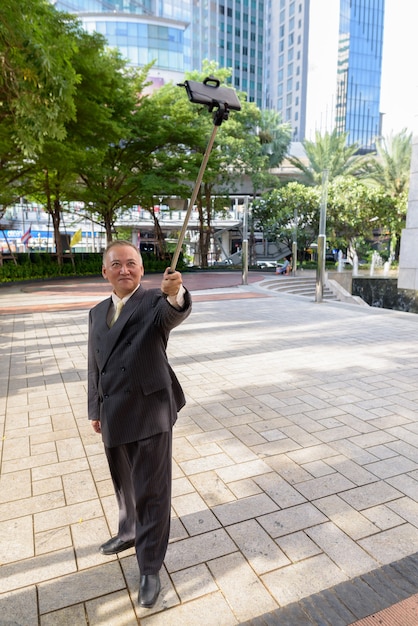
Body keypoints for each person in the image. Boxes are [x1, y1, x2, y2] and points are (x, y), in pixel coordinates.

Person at [87, 240, 192, 609]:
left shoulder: (153, 302)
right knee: (124, 485)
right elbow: (94, 366)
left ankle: (150, 567)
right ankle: (128, 531)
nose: (125, 269)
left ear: (142, 270)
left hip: (149, 412)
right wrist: (94, 409)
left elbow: (172, 312)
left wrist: (175, 292)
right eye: (116, 264)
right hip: (113, 411)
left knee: (152, 492)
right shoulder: (97, 312)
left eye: (132, 263)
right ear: (105, 272)